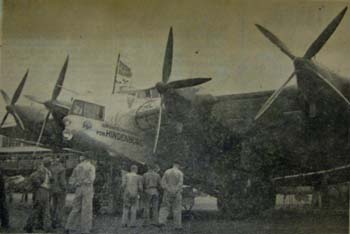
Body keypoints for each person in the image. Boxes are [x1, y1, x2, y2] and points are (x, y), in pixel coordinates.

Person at [65, 153, 96, 234]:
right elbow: (92, 179)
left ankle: (69, 226)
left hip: (78, 188)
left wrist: (77, 183)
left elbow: (71, 179)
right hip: (87, 188)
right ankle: (86, 229)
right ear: (89, 158)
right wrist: (85, 181)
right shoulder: (91, 167)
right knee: (87, 209)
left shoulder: (77, 167)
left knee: (75, 208)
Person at [24, 160, 52, 233]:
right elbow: (40, 184)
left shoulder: (36, 174)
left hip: (39, 192)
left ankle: (30, 226)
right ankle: (46, 227)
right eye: (41, 165)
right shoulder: (45, 173)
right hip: (42, 192)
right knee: (45, 210)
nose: (42, 167)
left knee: (36, 210)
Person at [158, 160, 184, 230]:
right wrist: (175, 190)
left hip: (167, 192)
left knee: (165, 207)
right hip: (176, 193)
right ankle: (177, 226)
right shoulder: (180, 173)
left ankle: (162, 221)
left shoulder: (167, 171)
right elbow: (180, 183)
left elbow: (162, 182)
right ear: (178, 165)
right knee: (177, 209)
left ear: (173, 164)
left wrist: (167, 189)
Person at [50, 156, 67, 229]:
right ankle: (60, 223)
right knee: (61, 207)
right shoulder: (62, 169)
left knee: (54, 206)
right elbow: (62, 181)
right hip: (60, 190)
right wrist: (65, 188)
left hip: (53, 190)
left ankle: (53, 221)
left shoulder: (51, 168)